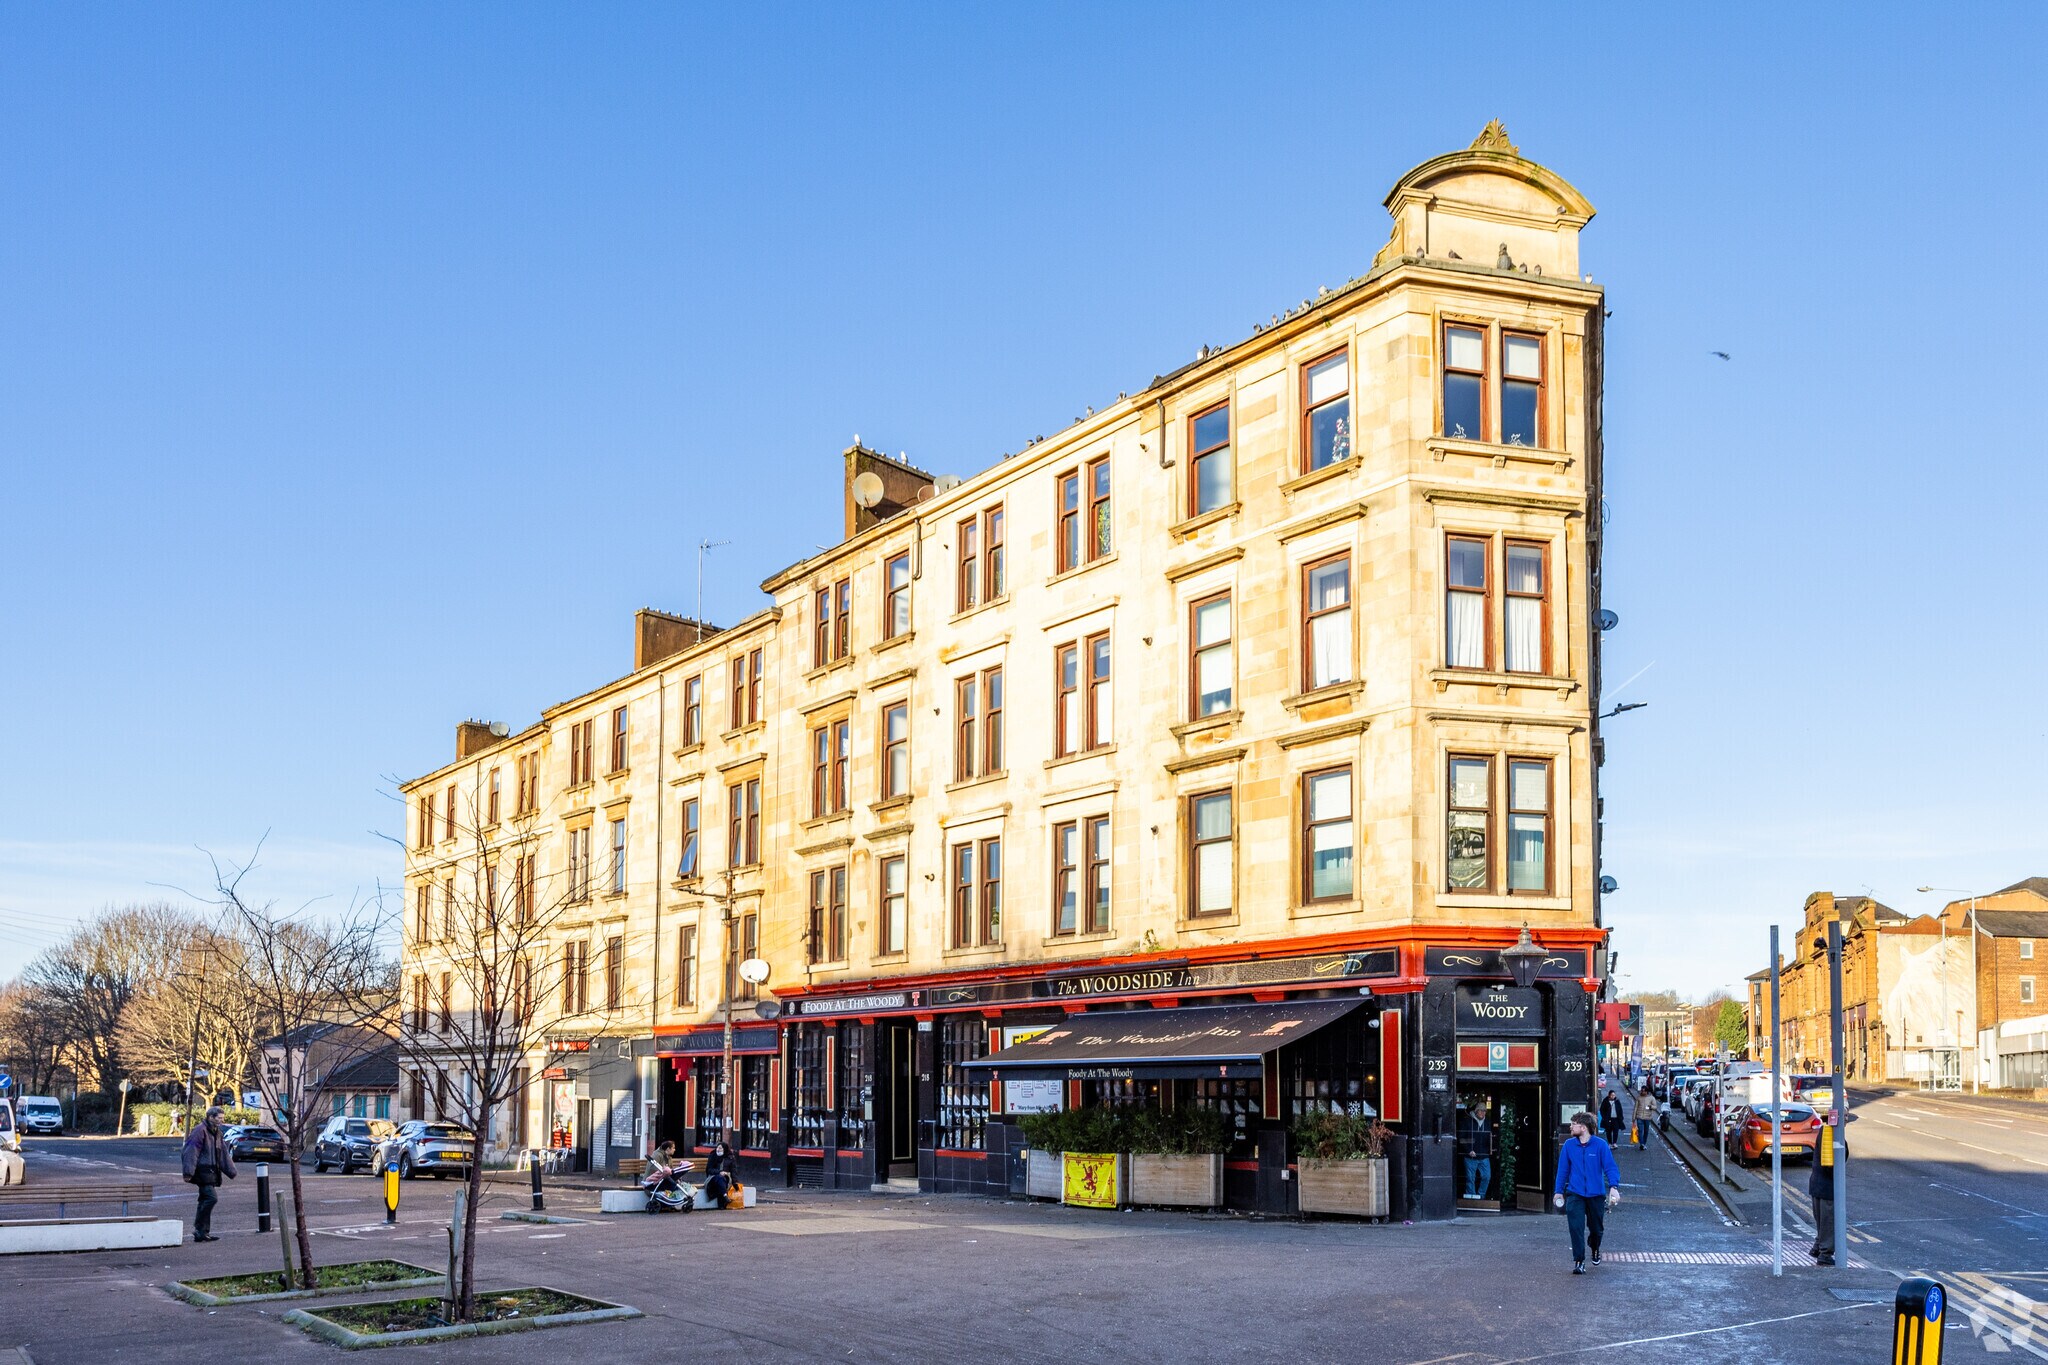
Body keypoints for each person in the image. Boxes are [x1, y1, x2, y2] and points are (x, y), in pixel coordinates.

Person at [1553, 1111, 1621, 1274]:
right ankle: (1579, 1261)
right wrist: (1558, 1192)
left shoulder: (1600, 1145)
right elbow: (1562, 1171)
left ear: (1583, 1128)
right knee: (1575, 1227)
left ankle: (1595, 1247)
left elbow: (1610, 1167)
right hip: (1575, 1193)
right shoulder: (1569, 1145)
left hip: (1596, 1194)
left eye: (1573, 1124)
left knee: (1596, 1229)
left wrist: (1613, 1187)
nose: (1570, 1127)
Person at [180, 1105, 238, 1243]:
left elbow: (223, 1153)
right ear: (210, 1117)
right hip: (202, 1171)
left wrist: (231, 1171)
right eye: (219, 1118)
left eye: (223, 1118)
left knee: (205, 1199)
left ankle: (202, 1232)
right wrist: (188, 1172)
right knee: (211, 1198)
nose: (221, 1121)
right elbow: (190, 1151)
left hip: (211, 1172)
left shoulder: (217, 1132)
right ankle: (199, 1229)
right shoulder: (200, 1131)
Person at [1807, 1122, 1839, 1267]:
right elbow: (1829, 1164)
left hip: (1817, 1184)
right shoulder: (1831, 1133)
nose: (1846, 1119)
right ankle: (1825, 1255)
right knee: (1828, 1223)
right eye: (1844, 1116)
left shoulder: (1824, 1130)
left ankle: (1817, 1247)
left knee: (1822, 1221)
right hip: (1826, 1187)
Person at [1456, 1098, 1495, 1200]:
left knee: (1487, 1177)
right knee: (1470, 1179)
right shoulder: (1467, 1122)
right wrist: (1469, 1150)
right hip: (1470, 1156)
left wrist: (1490, 1148)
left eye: (1484, 1111)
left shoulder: (1488, 1122)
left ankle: (1481, 1197)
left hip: (1484, 1156)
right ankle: (1471, 1198)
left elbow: (1491, 1138)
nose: (1483, 1113)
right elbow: (1462, 1138)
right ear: (1476, 1111)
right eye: (1481, 1110)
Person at [701, 1140, 738, 1205]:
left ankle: (723, 1200)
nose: (718, 1150)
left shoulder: (730, 1157)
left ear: (724, 1149)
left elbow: (733, 1171)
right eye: (717, 1148)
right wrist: (719, 1172)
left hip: (726, 1177)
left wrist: (735, 1182)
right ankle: (725, 1196)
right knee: (720, 1178)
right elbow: (709, 1170)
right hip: (713, 1177)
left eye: (720, 1148)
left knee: (722, 1180)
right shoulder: (713, 1155)